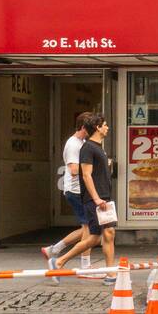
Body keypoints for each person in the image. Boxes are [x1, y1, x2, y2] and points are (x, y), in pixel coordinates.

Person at [56, 113, 117, 283]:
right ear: (97, 127)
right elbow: (86, 176)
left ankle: (111, 274)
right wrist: (96, 199)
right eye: (104, 125)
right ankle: (59, 260)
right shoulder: (88, 148)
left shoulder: (98, 147)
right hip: (94, 200)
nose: (107, 127)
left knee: (108, 234)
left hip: (104, 197)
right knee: (95, 237)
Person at [44, 112, 90, 270]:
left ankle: (53, 250)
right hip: (75, 190)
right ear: (83, 127)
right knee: (89, 229)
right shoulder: (73, 144)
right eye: (91, 127)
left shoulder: (82, 142)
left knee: (87, 227)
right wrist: (94, 166)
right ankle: (85, 266)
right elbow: (73, 170)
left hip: (79, 190)